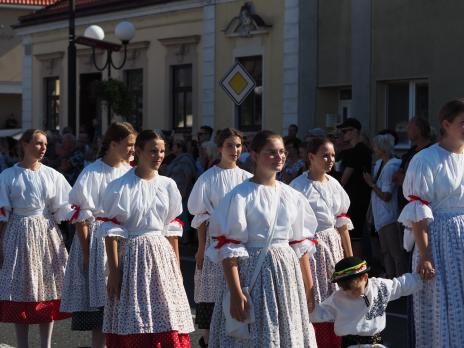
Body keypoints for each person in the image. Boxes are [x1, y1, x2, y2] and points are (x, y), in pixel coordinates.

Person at [207, 130, 318, 347]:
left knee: (287, 331)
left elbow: (300, 245)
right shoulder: (239, 196)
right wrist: (236, 292)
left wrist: (309, 286)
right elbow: (229, 250)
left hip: (287, 275)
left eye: (282, 152)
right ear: (255, 155)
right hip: (253, 276)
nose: (279, 157)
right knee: (253, 334)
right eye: (272, 153)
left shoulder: (292, 196)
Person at [99, 130, 194, 347]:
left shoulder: (168, 185)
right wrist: (113, 273)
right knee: (136, 316)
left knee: (167, 314)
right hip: (133, 255)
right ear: (138, 151)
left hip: (161, 256)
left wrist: (176, 269)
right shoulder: (120, 186)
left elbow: (171, 231)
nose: (159, 155)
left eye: (162, 151)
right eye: (153, 151)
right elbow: (112, 234)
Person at [60, 122, 137, 348]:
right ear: (114, 144)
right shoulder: (93, 172)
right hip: (98, 241)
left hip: (127, 238)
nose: (133, 149)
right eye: (129, 144)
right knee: (102, 306)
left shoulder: (131, 171)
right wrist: (86, 255)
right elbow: (82, 219)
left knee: (126, 301)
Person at [398, 99, 464, 347]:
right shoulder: (426, 159)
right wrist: (425, 254)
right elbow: (418, 212)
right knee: (441, 304)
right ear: (446, 124)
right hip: (439, 240)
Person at [0, 129, 72, 348]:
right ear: (24, 144)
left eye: (45, 144)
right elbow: (2, 213)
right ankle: (22, 344)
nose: (43, 148)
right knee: (21, 289)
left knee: (47, 287)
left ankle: (46, 344)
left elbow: (66, 206)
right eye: (39, 143)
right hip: (18, 234)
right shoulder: (8, 176)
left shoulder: (52, 175)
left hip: (46, 233)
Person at [188, 128, 252, 347]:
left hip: (242, 245)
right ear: (219, 148)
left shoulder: (247, 178)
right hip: (215, 244)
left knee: (240, 293)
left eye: (238, 145)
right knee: (212, 296)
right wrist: (199, 249)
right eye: (230, 146)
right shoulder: (209, 178)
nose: (235, 150)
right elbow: (201, 217)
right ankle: (209, 339)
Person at [290, 137, 353, 348]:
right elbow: (294, 229)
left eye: (333, 155)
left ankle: (335, 342)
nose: (330, 159)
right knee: (314, 299)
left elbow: (342, 225)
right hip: (310, 250)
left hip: (333, 246)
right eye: (325, 155)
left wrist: (350, 260)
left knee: (336, 298)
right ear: (311, 157)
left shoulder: (334, 184)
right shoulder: (298, 187)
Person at [309, 256, 422, 348]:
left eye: (354, 289)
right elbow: (320, 312)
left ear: (365, 277)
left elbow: (400, 285)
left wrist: (419, 277)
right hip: (350, 344)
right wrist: (308, 308)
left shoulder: (380, 287)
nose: (349, 293)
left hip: (376, 343)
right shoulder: (338, 298)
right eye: (345, 289)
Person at [363, 133, 408, 278]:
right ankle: (390, 278)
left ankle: (401, 282)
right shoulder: (379, 164)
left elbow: (387, 196)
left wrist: (371, 184)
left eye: (376, 145)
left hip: (389, 215)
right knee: (385, 251)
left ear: (382, 148)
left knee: (395, 251)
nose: (373, 148)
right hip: (380, 215)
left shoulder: (390, 167)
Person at [337, 118, 372, 253]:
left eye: (346, 131)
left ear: (355, 131)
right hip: (357, 196)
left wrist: (334, 190)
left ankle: (356, 268)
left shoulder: (358, 150)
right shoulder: (358, 149)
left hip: (356, 197)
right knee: (354, 235)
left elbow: (345, 178)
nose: (343, 134)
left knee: (354, 237)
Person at [393, 117, 433, 210]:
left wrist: (406, 181)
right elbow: (397, 176)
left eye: (409, 127)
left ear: (419, 129)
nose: (407, 130)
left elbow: (426, 182)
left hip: (421, 208)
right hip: (406, 206)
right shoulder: (410, 152)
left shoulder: (431, 151)